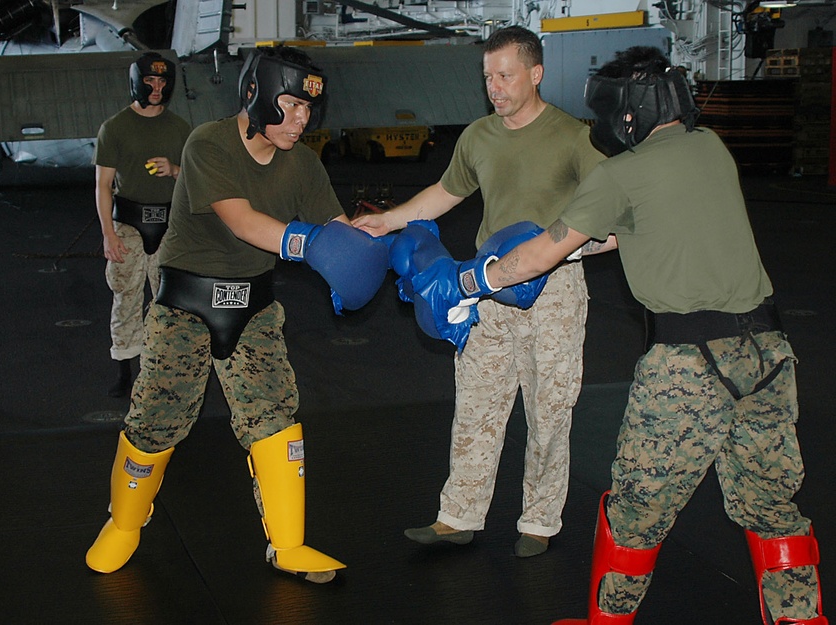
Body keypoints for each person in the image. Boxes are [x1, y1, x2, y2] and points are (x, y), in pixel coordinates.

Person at [413, 46, 826, 625]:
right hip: (769, 359)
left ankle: (607, 622)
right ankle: (800, 619)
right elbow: (626, 231)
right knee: (770, 506)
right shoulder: (711, 149)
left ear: (625, 109)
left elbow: (536, 257)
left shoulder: (621, 174)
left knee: (635, 508)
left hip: (688, 367)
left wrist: (468, 278)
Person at [85, 46, 388, 584]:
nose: (302, 120)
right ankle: (125, 524)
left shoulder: (304, 163)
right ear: (258, 94)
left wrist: (391, 246)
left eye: (308, 110)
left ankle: (289, 545)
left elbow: (336, 230)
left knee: (274, 415)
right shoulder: (208, 143)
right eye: (292, 105)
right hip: (185, 305)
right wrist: (308, 243)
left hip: (254, 304)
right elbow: (242, 220)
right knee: (158, 417)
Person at [354, 25, 606, 557]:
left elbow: (615, 220)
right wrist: (390, 221)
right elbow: (446, 193)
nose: (494, 86)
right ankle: (459, 515)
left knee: (548, 410)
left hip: (553, 292)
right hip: (486, 289)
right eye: (488, 76)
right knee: (475, 404)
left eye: (505, 75)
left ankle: (539, 519)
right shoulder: (479, 136)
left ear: (535, 74)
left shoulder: (575, 138)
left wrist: (568, 251)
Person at [94, 52, 191, 397]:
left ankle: (160, 371)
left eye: (162, 81)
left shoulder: (181, 129)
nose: (156, 87)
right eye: (150, 80)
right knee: (126, 296)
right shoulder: (116, 127)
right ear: (137, 81)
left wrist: (175, 170)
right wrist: (108, 234)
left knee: (168, 301)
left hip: (169, 225)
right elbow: (103, 185)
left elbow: (198, 180)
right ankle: (125, 371)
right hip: (129, 226)